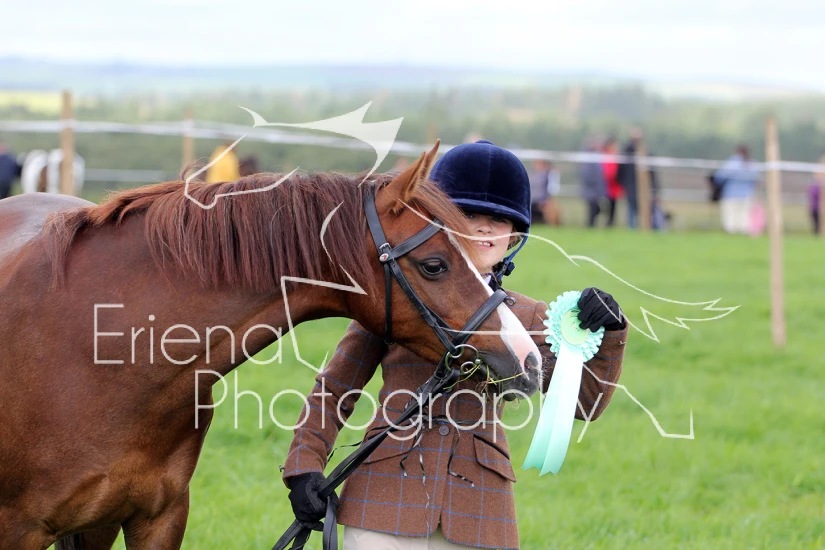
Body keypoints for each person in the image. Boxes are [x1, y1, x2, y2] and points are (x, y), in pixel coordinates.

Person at [281, 140, 630, 549]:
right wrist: (304, 465)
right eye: (467, 214)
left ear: (514, 234)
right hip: (385, 496)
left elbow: (583, 405)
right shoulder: (397, 294)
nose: (483, 227)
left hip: (479, 509)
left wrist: (609, 334)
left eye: (498, 218)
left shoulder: (531, 317)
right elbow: (335, 388)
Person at [716, 145, 759, 235]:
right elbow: (755, 180)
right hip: (747, 195)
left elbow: (719, 177)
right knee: (745, 216)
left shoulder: (732, 163)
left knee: (730, 216)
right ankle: (743, 235)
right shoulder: (752, 164)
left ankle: (731, 235)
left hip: (730, 194)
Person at [579, 137, 607, 228]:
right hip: (590, 188)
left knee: (595, 208)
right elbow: (586, 174)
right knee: (593, 208)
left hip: (596, 189)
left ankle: (591, 225)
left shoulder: (598, 155)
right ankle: (590, 225)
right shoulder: (587, 156)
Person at [529, 159, 561, 225]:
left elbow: (552, 188)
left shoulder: (548, 174)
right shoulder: (531, 174)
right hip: (532, 200)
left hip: (542, 200)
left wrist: (547, 200)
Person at [602, 137, 623, 227]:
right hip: (607, 186)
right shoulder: (606, 156)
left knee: (612, 206)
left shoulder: (615, 156)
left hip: (613, 187)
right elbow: (608, 173)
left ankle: (610, 224)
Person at [809, 156, 825, 235]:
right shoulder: (815, 184)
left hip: (820, 208)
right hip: (815, 207)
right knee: (816, 226)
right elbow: (812, 193)